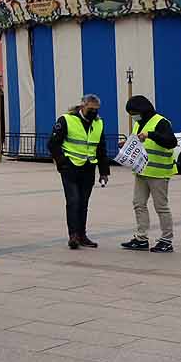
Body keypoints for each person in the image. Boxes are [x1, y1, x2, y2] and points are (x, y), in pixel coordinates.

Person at [47, 94, 108, 249]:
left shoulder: (99, 123)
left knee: (83, 203)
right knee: (73, 201)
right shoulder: (66, 120)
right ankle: (73, 235)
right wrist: (62, 162)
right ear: (82, 106)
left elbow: (101, 148)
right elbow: (53, 143)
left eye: (96, 110)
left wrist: (104, 171)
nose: (94, 112)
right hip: (70, 167)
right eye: (91, 109)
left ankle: (82, 235)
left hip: (88, 168)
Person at [121, 94, 178, 251]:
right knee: (138, 204)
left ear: (143, 109)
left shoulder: (161, 122)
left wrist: (151, 135)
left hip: (159, 172)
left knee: (161, 206)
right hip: (141, 171)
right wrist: (126, 144)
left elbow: (171, 142)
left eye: (134, 112)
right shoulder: (139, 123)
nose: (133, 116)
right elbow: (140, 143)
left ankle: (166, 240)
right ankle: (141, 238)